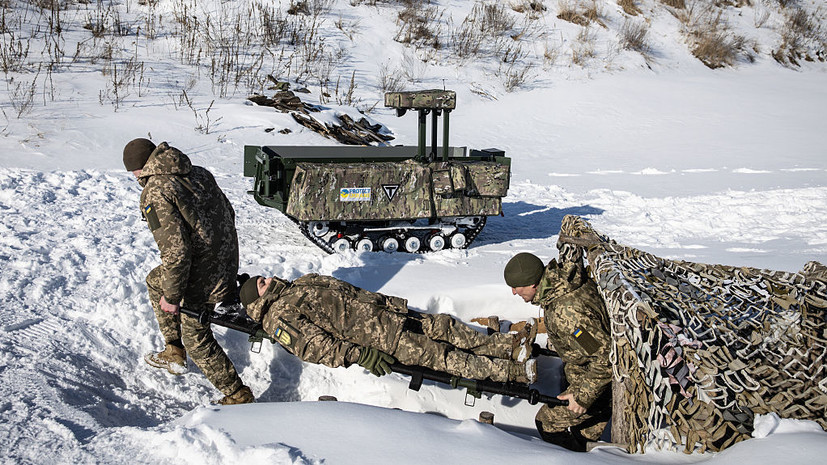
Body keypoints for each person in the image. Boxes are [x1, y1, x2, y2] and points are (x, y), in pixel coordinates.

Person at [123, 138, 254, 405]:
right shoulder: (198, 172)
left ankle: (237, 394)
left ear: (141, 168)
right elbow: (228, 212)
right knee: (154, 280)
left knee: (196, 336)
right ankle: (173, 350)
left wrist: (172, 298)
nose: (135, 177)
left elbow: (176, 252)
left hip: (203, 271)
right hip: (227, 259)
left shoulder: (155, 191)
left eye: (133, 172)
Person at [238, 273, 538, 384]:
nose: (268, 279)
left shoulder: (300, 283)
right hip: (383, 340)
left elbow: (351, 293)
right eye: (262, 283)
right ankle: (513, 374)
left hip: (391, 314)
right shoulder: (278, 318)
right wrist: (361, 355)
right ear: (258, 300)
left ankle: (509, 348)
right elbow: (315, 347)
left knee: (448, 327)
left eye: (263, 277)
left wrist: (388, 304)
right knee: (447, 358)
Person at [504, 252, 612, 452]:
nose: (513, 292)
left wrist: (583, 397)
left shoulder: (567, 312)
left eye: (516, 286)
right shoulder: (559, 287)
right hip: (588, 377)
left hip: (599, 385)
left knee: (547, 422)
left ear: (532, 284)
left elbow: (605, 358)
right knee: (583, 435)